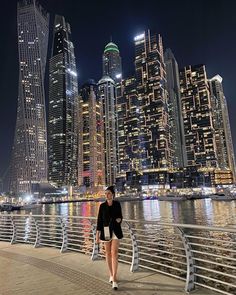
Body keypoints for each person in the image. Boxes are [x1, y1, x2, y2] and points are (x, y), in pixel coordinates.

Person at [96, 186, 123, 290]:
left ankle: (115, 279)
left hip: (115, 230)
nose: (107, 195)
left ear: (113, 194)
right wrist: (97, 236)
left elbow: (120, 216)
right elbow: (99, 221)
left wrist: (119, 220)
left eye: (108, 193)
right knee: (107, 253)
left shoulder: (117, 204)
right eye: (105, 193)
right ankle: (111, 275)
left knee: (114, 253)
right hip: (106, 230)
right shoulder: (102, 206)